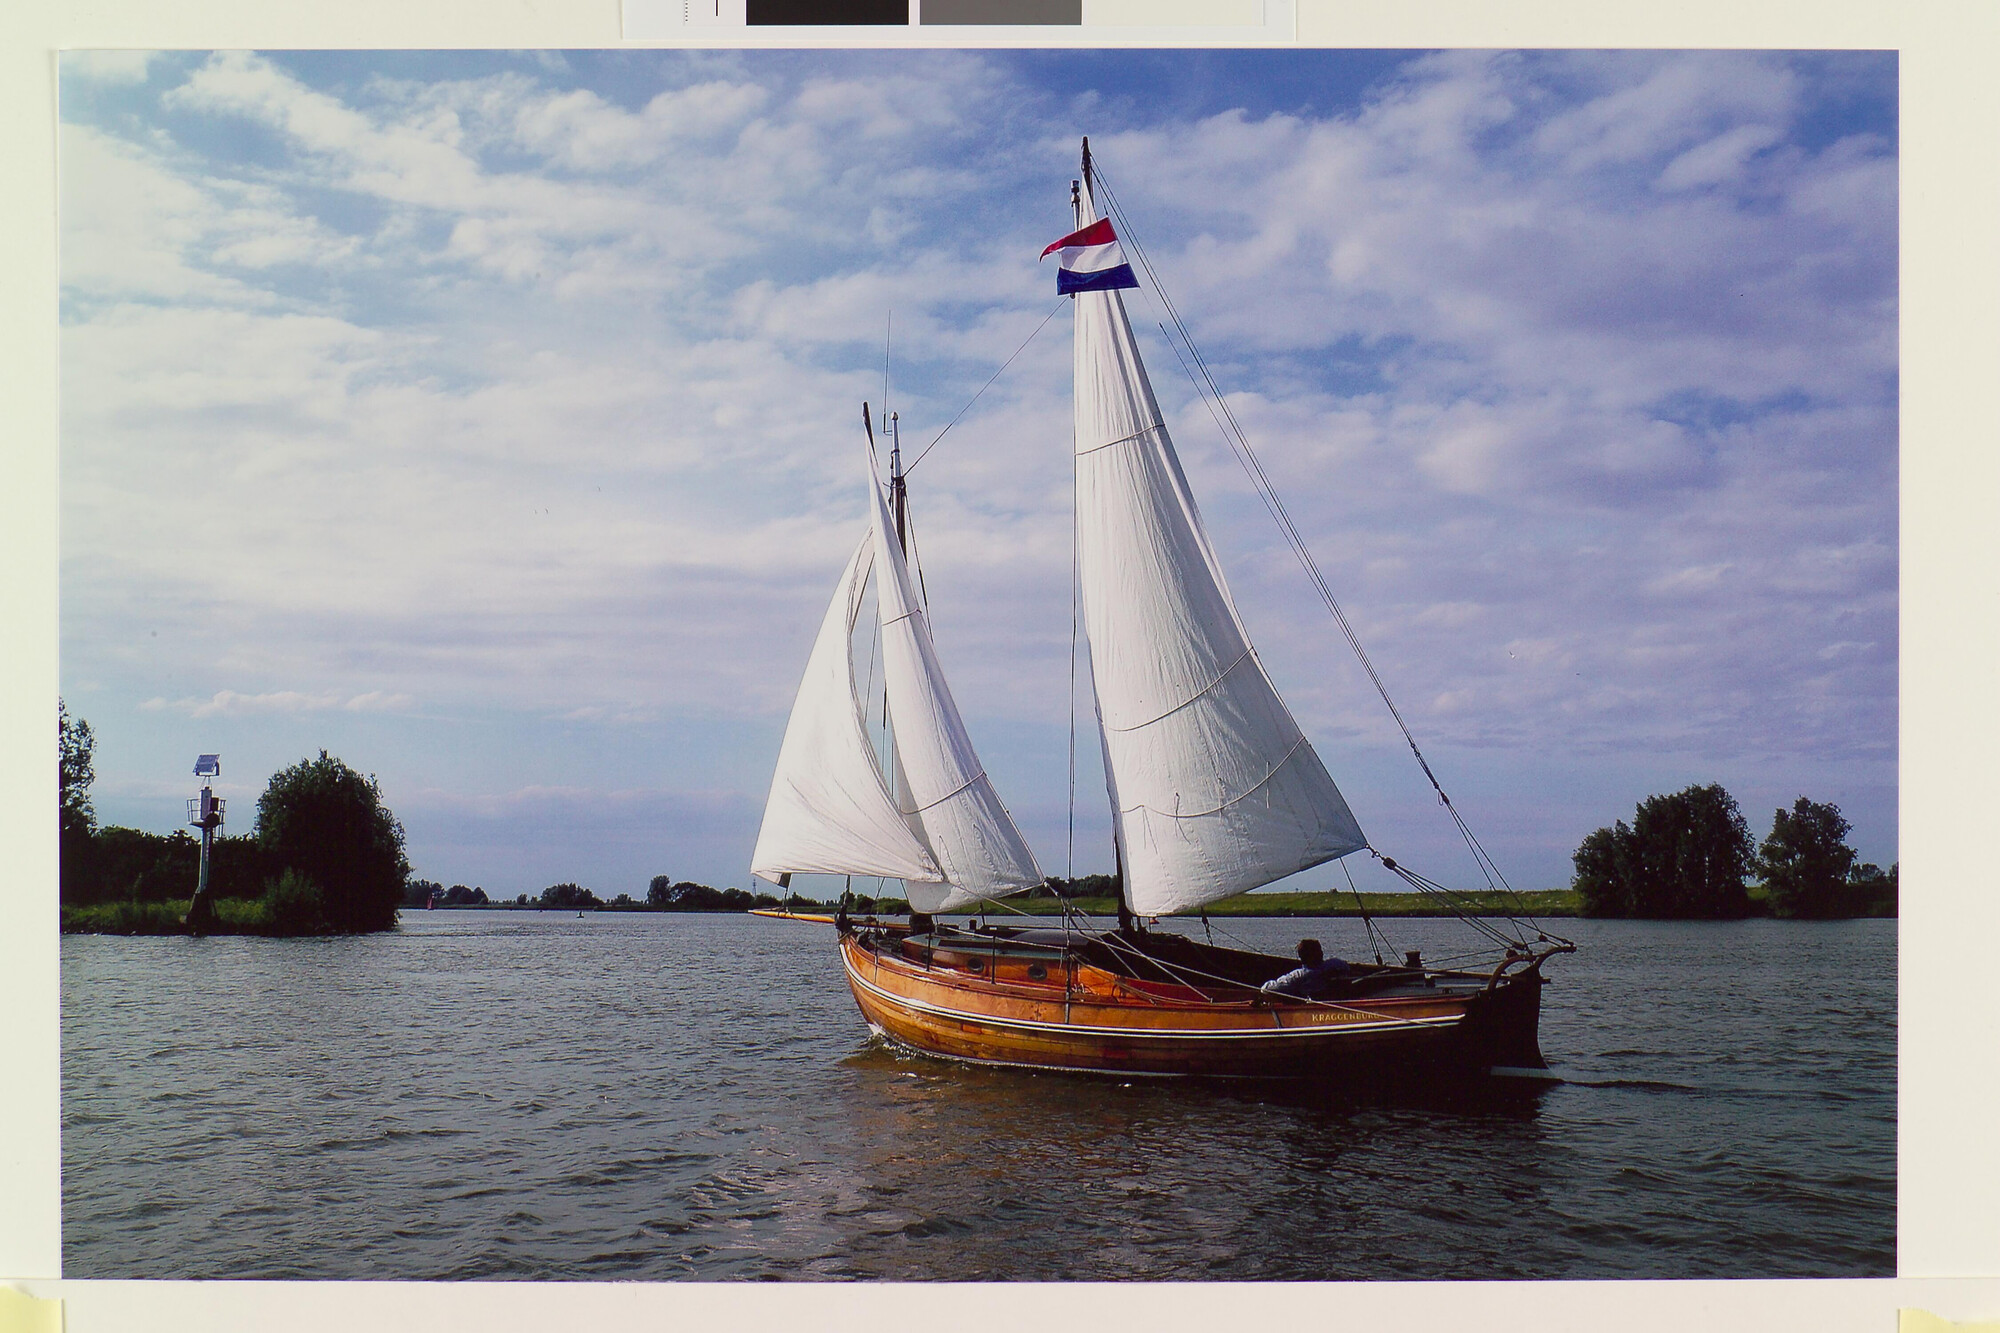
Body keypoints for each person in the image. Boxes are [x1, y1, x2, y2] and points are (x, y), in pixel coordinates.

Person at [1259, 938, 1352, 999]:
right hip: (1339, 999)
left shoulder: (1298, 976)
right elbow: (1348, 969)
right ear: (1321, 953)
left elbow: (1266, 989)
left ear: (1301, 956)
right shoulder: (1337, 964)